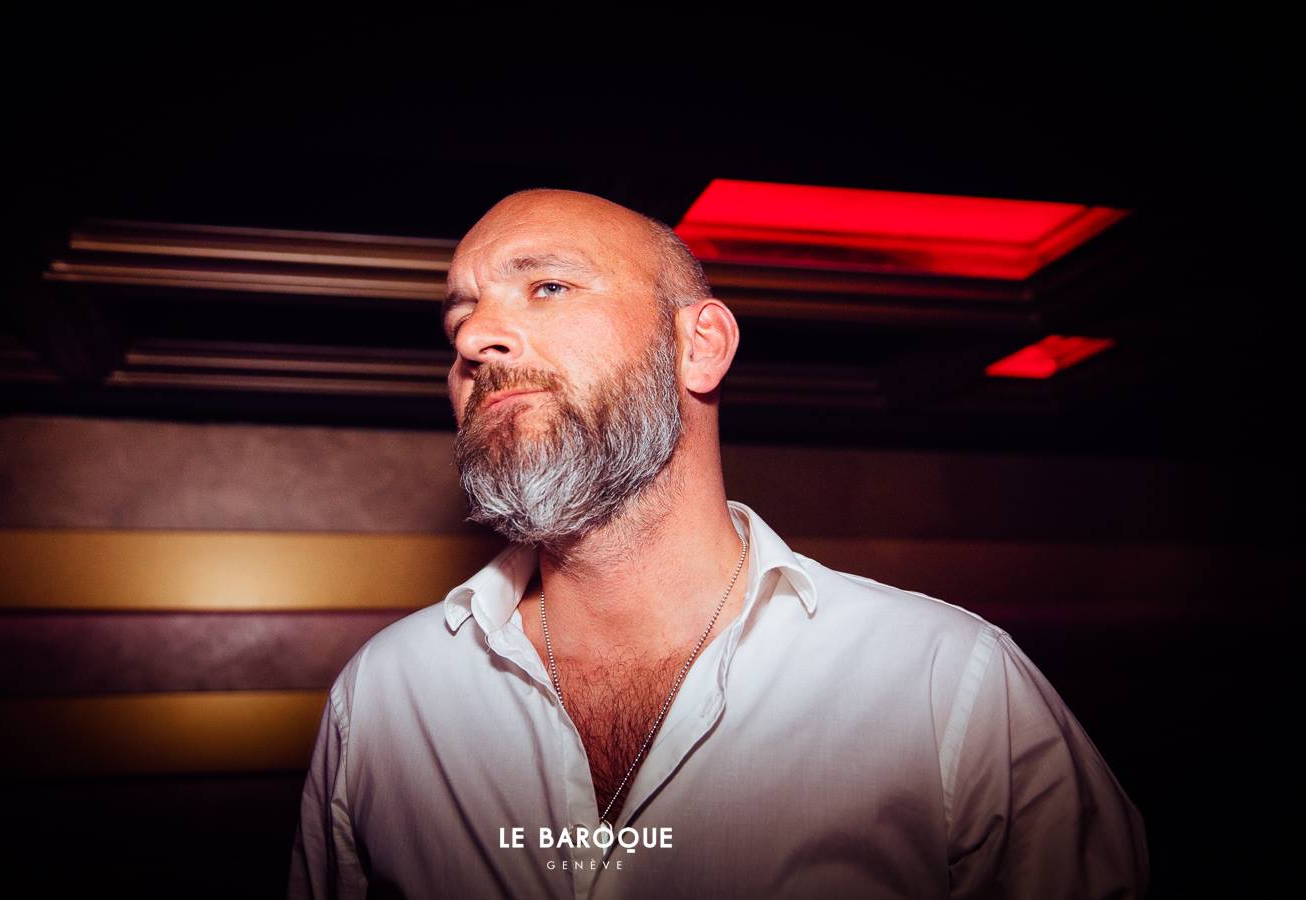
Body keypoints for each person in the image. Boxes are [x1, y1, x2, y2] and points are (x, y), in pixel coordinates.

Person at [288, 189, 1150, 899]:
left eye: (547, 286)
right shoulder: (386, 699)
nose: (475, 338)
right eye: (458, 324)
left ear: (699, 346)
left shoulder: (947, 685)